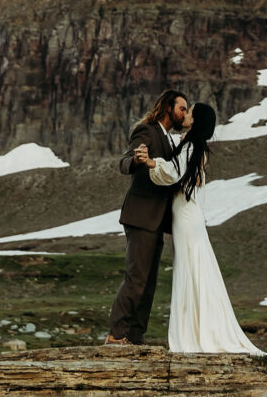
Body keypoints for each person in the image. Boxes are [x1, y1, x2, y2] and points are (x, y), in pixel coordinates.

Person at [138, 102, 264, 355]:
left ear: (196, 120)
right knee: (194, 270)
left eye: (190, 112)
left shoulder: (193, 146)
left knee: (190, 270)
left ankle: (193, 335)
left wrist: (152, 163)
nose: (185, 115)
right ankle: (199, 331)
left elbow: (175, 172)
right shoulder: (191, 144)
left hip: (186, 217)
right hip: (187, 215)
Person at [106, 88, 188, 346]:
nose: (184, 113)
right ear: (167, 108)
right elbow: (125, 160)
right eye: (181, 108)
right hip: (141, 217)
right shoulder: (147, 131)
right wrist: (138, 160)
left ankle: (135, 335)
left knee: (149, 282)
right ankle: (116, 335)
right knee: (136, 278)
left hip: (156, 221)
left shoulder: (168, 138)